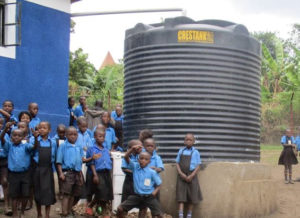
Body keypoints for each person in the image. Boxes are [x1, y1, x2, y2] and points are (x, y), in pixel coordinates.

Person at [56, 126, 96, 217]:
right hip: (68, 172)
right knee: (67, 194)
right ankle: (64, 213)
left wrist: (91, 158)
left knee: (76, 193)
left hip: (77, 173)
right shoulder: (63, 146)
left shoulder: (79, 147)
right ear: (66, 135)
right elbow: (58, 162)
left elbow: (82, 160)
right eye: (70, 134)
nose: (73, 136)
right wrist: (61, 173)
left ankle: (70, 210)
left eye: (75, 134)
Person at [0, 124, 36, 218]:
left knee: (25, 194)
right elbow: (2, 138)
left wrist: (36, 138)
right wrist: (5, 130)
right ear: (11, 137)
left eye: (19, 136)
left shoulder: (26, 146)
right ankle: (15, 213)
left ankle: (22, 212)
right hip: (13, 174)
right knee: (14, 195)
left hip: (25, 174)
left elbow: (34, 147)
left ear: (23, 137)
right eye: (14, 135)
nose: (16, 137)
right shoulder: (9, 146)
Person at [117, 145, 163, 218]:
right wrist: (132, 149)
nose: (143, 161)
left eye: (146, 159)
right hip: (137, 196)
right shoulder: (135, 167)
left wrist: (154, 192)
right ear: (138, 160)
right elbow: (126, 157)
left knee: (159, 214)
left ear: (149, 161)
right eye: (141, 158)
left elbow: (159, 184)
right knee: (120, 209)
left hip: (149, 197)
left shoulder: (152, 172)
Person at [30, 122, 56, 218]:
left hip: (48, 169)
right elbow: (31, 151)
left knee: (48, 193)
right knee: (38, 193)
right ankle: (39, 213)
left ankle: (47, 215)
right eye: (40, 128)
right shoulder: (34, 140)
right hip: (38, 169)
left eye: (44, 128)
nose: (41, 129)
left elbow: (55, 157)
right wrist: (36, 138)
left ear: (49, 130)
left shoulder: (52, 142)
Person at [85, 129, 113, 217]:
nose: (102, 138)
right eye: (100, 136)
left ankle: (97, 209)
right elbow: (91, 163)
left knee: (106, 194)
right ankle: (96, 208)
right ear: (95, 137)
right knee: (101, 192)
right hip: (98, 173)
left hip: (106, 173)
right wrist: (95, 175)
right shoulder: (92, 149)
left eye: (104, 137)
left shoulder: (105, 149)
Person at [176, 133, 202, 218]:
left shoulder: (196, 152)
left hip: (192, 176)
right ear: (184, 141)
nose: (188, 141)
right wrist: (181, 173)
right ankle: (180, 215)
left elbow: (198, 165)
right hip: (181, 176)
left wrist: (192, 175)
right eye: (186, 139)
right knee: (181, 196)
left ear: (194, 142)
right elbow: (177, 163)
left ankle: (189, 215)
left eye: (190, 140)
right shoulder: (181, 151)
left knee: (191, 196)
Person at [0, 118, 11, 215]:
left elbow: (2, 139)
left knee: (5, 181)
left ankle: (7, 205)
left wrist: (4, 131)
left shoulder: (6, 135)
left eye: (0, 124)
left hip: (3, 161)